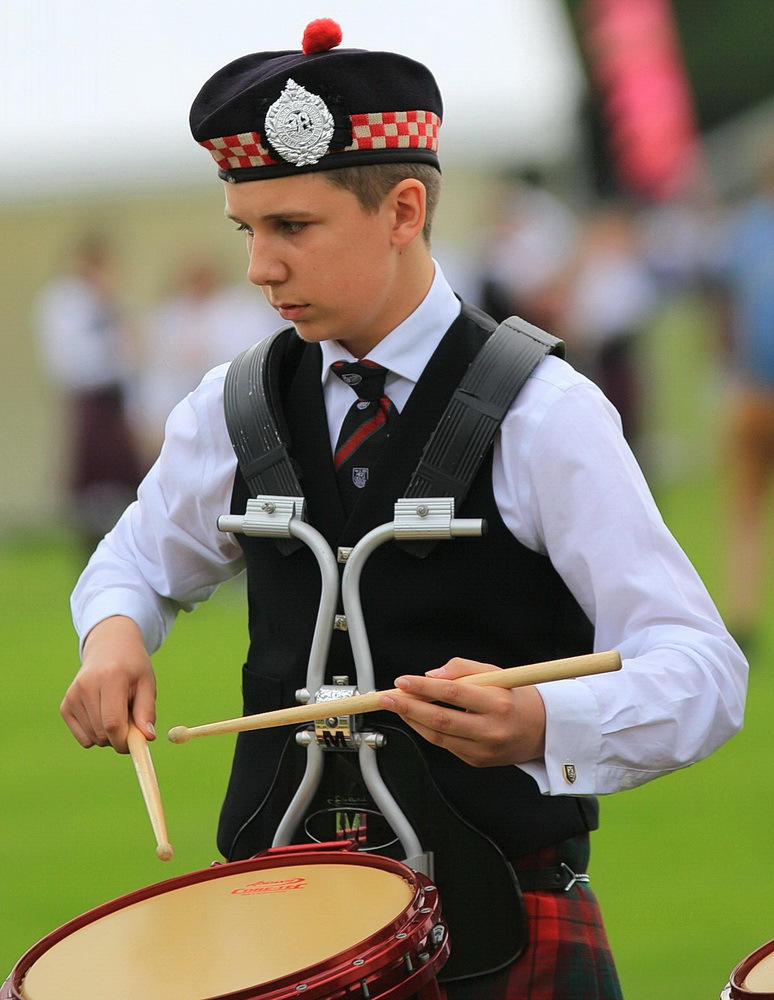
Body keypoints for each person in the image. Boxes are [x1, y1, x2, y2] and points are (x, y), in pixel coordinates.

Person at [61, 19, 747, 999]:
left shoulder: (544, 412)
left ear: (404, 210)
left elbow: (703, 669)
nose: (260, 267)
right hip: (280, 938)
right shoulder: (232, 406)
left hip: (499, 931)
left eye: (293, 227)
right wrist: (114, 638)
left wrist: (541, 721)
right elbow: (132, 561)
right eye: (247, 230)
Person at [35, 234, 144, 560]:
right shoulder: (65, 302)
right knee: (94, 484)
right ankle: (92, 548)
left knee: (124, 480)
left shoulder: (111, 302)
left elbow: (133, 354)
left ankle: (127, 546)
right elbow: (73, 361)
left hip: (115, 398)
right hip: (91, 397)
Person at [134, 256, 280, 461]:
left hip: (232, 413)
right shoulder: (170, 317)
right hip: (181, 412)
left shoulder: (240, 312)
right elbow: (159, 373)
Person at [715, 148, 774, 651]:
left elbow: (726, 313)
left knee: (746, 510)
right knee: (746, 507)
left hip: (752, 385)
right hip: (755, 387)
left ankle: (743, 611)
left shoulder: (744, 232)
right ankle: (743, 612)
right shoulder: (743, 232)